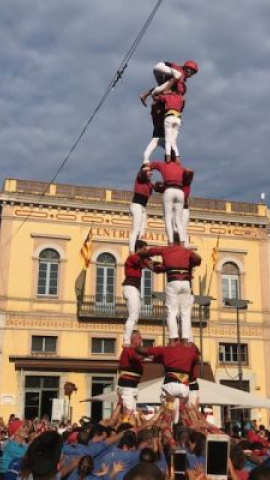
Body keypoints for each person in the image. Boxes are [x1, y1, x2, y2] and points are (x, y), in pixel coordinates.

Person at [139, 244, 201, 342]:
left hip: (174, 283)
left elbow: (156, 263)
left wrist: (144, 258)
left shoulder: (167, 250)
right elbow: (198, 260)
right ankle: (187, 340)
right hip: (187, 287)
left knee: (173, 313)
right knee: (184, 315)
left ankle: (174, 339)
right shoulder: (187, 254)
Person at [143, 160, 193, 246]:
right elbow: (160, 189)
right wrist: (157, 185)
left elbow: (191, 173)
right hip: (175, 209)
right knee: (174, 230)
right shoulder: (174, 185)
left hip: (183, 209)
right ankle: (176, 246)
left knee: (181, 231)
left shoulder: (185, 184)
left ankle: (181, 248)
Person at [135, 340, 200, 406]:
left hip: (181, 386)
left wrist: (134, 345)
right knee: (186, 412)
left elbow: (144, 351)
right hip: (186, 386)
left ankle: (169, 409)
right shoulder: (186, 352)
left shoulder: (168, 350)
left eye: (169, 342)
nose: (167, 343)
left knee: (169, 407)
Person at [122, 240, 154, 346]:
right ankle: (126, 340)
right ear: (139, 248)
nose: (146, 251)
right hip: (130, 288)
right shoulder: (132, 258)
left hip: (133, 289)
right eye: (144, 249)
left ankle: (131, 340)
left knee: (135, 317)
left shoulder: (138, 259)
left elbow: (152, 266)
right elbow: (140, 260)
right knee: (133, 315)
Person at [152, 87, 185, 163]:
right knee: (173, 140)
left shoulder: (167, 96)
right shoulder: (180, 98)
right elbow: (183, 103)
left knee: (168, 140)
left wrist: (160, 92)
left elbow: (155, 97)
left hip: (169, 117)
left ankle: (168, 157)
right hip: (178, 118)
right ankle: (177, 157)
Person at [117, 330, 144, 417]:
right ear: (133, 339)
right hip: (127, 386)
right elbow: (135, 357)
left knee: (133, 413)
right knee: (129, 413)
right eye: (139, 338)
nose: (141, 340)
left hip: (132, 387)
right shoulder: (129, 350)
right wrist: (149, 354)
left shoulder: (132, 351)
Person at [129, 169, 153, 254]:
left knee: (141, 232)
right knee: (136, 230)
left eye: (152, 172)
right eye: (150, 172)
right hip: (136, 205)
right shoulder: (139, 178)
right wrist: (148, 166)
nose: (151, 173)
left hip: (143, 207)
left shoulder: (149, 184)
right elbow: (142, 172)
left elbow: (157, 188)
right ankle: (132, 252)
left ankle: (138, 250)